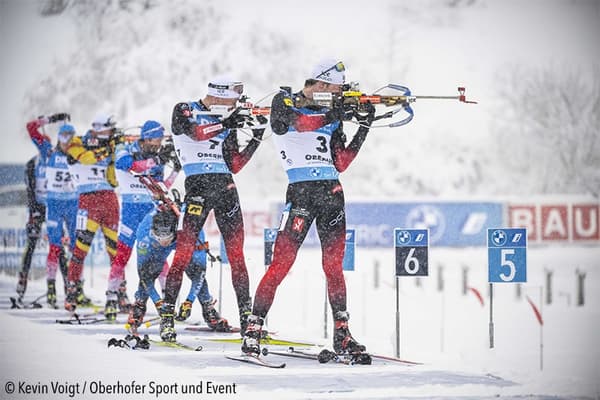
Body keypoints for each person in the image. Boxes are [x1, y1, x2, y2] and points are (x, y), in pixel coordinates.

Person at [241, 59, 376, 356]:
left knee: (333, 267)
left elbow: (341, 163)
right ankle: (254, 327)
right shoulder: (284, 100)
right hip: (301, 193)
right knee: (281, 263)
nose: (338, 96)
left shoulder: (331, 113)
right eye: (336, 90)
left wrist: (364, 126)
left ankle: (342, 333)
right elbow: (294, 124)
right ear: (322, 84)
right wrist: (335, 113)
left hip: (332, 192)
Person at [159, 77, 265, 342]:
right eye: (232, 100)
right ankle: (167, 317)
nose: (235, 105)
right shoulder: (185, 108)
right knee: (182, 254)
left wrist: (257, 135)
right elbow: (195, 133)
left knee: (237, 256)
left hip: (225, 187)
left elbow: (236, 163)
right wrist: (227, 123)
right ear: (217, 96)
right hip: (197, 188)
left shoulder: (227, 121)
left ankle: (246, 320)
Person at [104, 120, 180, 320]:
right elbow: (126, 165)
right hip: (131, 211)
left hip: (150, 211)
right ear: (146, 137)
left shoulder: (157, 155)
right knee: (122, 256)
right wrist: (153, 162)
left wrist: (175, 170)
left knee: (160, 257)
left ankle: (167, 300)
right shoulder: (124, 148)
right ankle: (111, 297)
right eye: (156, 140)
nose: (158, 145)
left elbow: (161, 186)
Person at [127, 208, 229, 334]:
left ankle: (207, 307)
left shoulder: (192, 231)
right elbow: (144, 276)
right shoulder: (144, 234)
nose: (164, 243)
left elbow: (200, 274)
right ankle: (139, 304)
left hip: (182, 239)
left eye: (167, 239)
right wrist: (158, 302)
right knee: (150, 270)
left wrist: (189, 302)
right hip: (155, 246)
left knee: (194, 269)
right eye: (160, 238)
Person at [64, 113, 122, 311]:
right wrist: (107, 149)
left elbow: (114, 180)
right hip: (87, 201)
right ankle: (72, 293)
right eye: (109, 128)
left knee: (115, 251)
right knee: (80, 250)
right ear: (98, 127)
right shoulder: (77, 141)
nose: (112, 131)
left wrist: (115, 151)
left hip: (109, 200)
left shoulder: (111, 144)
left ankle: (118, 294)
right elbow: (87, 159)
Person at [25, 115, 78, 307]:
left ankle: (74, 289)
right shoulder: (49, 152)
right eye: (63, 137)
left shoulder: (78, 153)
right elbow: (31, 127)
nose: (67, 142)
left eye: (70, 138)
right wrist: (49, 119)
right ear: (58, 138)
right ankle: (51, 288)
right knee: (55, 248)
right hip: (54, 204)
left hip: (73, 205)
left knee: (76, 247)